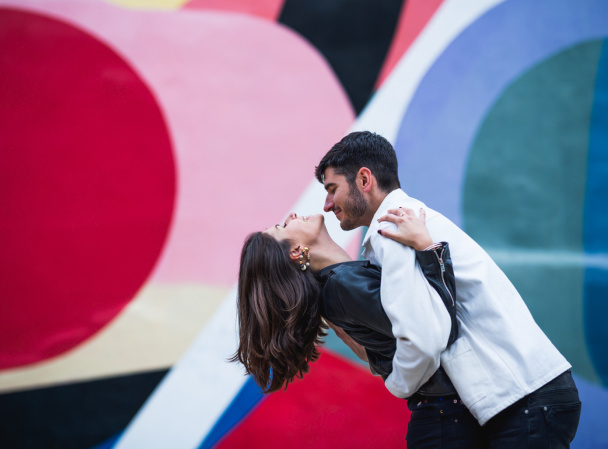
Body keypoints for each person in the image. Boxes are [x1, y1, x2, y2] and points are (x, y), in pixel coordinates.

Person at [315, 131, 581, 448]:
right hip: (528, 394)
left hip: (525, 397)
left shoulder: (393, 229)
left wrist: (397, 382)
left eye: (332, 189)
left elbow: (425, 338)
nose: (328, 204)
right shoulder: (403, 222)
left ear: (364, 179)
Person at [233, 207, 482, 446]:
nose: (293, 215)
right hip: (449, 421)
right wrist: (429, 249)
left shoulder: (340, 284)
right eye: (284, 226)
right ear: (297, 251)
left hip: (445, 418)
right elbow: (439, 329)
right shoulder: (343, 284)